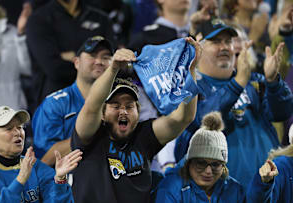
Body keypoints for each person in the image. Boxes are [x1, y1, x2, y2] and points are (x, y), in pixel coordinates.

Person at [70, 36, 201, 203]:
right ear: (102, 114)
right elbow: (91, 106)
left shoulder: (144, 136)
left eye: (129, 106)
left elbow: (184, 117)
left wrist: (190, 71)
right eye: (115, 106)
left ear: (138, 112)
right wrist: (113, 69)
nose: (123, 111)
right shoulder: (88, 138)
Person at [174, 19, 293, 188]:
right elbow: (203, 119)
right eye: (216, 41)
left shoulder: (254, 82)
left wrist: (274, 82)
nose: (224, 47)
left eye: (228, 41)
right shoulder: (189, 86)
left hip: (269, 187)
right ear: (197, 47)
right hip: (224, 193)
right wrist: (237, 84)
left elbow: (282, 113)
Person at [0, 106, 82, 202]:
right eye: (8, 129)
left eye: (20, 127)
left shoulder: (35, 166)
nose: (17, 132)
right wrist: (20, 180)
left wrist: (60, 180)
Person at [32, 36, 113, 165]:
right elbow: (44, 160)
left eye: (106, 57)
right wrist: (88, 135)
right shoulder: (54, 104)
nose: (99, 61)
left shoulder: (120, 101)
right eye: (92, 55)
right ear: (76, 62)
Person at [25, 0, 115, 112]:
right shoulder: (38, 20)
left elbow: (111, 65)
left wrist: (71, 56)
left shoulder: (101, 19)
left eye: (91, 54)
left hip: (98, 105)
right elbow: (54, 69)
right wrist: (93, 64)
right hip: (55, 110)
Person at [155, 112, 245, 202]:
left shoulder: (235, 190)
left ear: (223, 167)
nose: (208, 171)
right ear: (189, 162)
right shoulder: (170, 188)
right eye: (201, 163)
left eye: (215, 164)